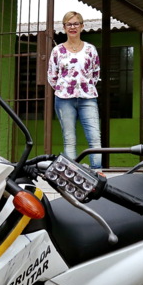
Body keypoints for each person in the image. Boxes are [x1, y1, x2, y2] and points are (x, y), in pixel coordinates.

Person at [47, 11, 102, 169]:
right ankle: (72, 173)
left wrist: (84, 86)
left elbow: (95, 72)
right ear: (64, 28)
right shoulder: (57, 51)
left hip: (88, 98)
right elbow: (52, 75)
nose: (72, 27)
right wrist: (64, 88)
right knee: (69, 139)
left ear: (82, 26)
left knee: (94, 137)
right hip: (64, 100)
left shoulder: (90, 49)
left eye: (76, 23)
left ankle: (98, 172)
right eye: (69, 24)